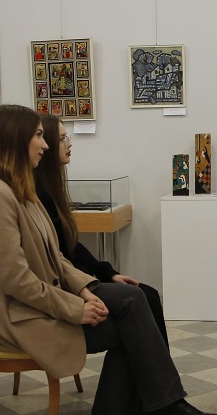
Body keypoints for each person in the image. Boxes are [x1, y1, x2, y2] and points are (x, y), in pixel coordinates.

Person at [0, 105, 217, 415]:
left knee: (133, 311)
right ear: (15, 140)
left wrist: (85, 289)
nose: (45, 145)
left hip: (34, 308)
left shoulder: (19, 190)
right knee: (131, 316)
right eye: (39, 136)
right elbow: (16, 281)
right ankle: (147, 412)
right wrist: (75, 309)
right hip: (13, 319)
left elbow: (57, 257)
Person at [33, 113, 168, 343]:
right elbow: (60, 256)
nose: (69, 144)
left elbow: (71, 245)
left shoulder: (52, 189)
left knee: (149, 296)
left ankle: (157, 366)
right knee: (142, 301)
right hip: (66, 285)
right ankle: (159, 367)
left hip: (76, 278)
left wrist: (109, 273)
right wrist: (90, 284)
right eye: (62, 139)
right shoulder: (39, 195)